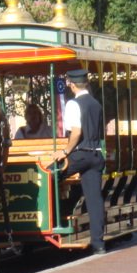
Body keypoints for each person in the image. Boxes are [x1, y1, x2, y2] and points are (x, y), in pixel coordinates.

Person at [51, 69, 106, 255]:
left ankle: (52, 218)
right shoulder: (96, 104)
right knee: (94, 200)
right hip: (96, 154)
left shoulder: (74, 103)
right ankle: (98, 243)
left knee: (50, 175)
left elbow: (76, 133)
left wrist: (64, 152)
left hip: (81, 154)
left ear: (72, 85)